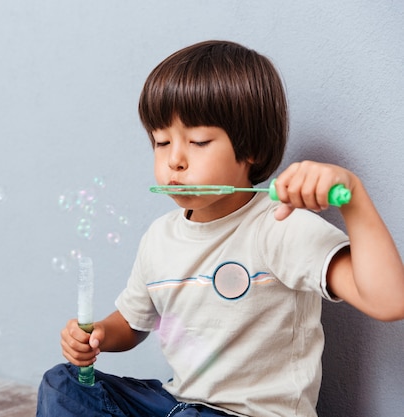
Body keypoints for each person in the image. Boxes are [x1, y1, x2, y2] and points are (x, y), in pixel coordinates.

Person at [36, 40, 404, 417]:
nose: (174, 161)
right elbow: (132, 324)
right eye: (161, 142)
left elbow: (389, 301)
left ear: (252, 150)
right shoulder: (159, 237)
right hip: (180, 404)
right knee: (62, 384)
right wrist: (96, 335)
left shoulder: (278, 226)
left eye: (197, 141)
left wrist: (353, 199)